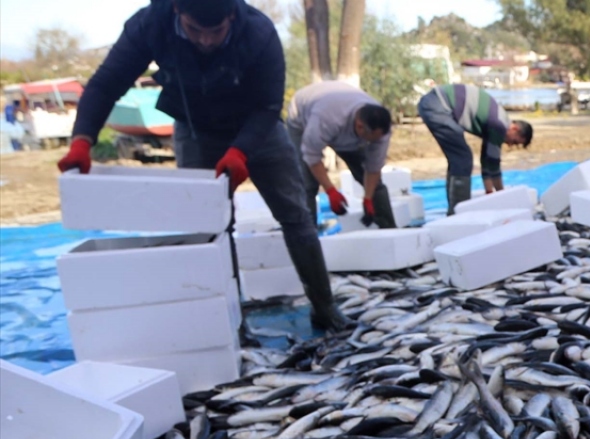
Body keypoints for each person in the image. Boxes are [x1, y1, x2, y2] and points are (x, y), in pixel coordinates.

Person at [56, 0, 349, 333]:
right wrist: (83, 139)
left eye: (217, 31)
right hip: (196, 131)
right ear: (177, 12)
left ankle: (325, 307)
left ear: (232, 15)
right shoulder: (150, 24)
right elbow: (106, 84)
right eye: (196, 30)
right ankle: (230, 321)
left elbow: (268, 106)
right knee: (210, 230)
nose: (206, 40)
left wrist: (240, 151)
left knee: (296, 215)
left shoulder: (259, 31)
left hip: (259, 129)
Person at [286, 80, 395, 229]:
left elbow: (373, 167)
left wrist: (368, 198)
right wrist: (331, 191)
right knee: (306, 183)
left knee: (375, 185)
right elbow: (311, 156)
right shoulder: (327, 119)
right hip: (302, 120)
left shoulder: (380, 131)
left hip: (343, 129)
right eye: (372, 139)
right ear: (360, 127)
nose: (376, 142)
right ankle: (306, 235)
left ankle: (389, 229)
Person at [417, 84, 532, 214]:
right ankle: (458, 216)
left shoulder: (499, 121)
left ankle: (454, 211)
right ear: (515, 128)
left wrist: (489, 192)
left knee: (458, 159)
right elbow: (494, 166)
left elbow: (486, 161)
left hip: (435, 103)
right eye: (514, 141)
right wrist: (502, 197)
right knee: (463, 159)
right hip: (438, 105)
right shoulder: (500, 126)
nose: (510, 145)